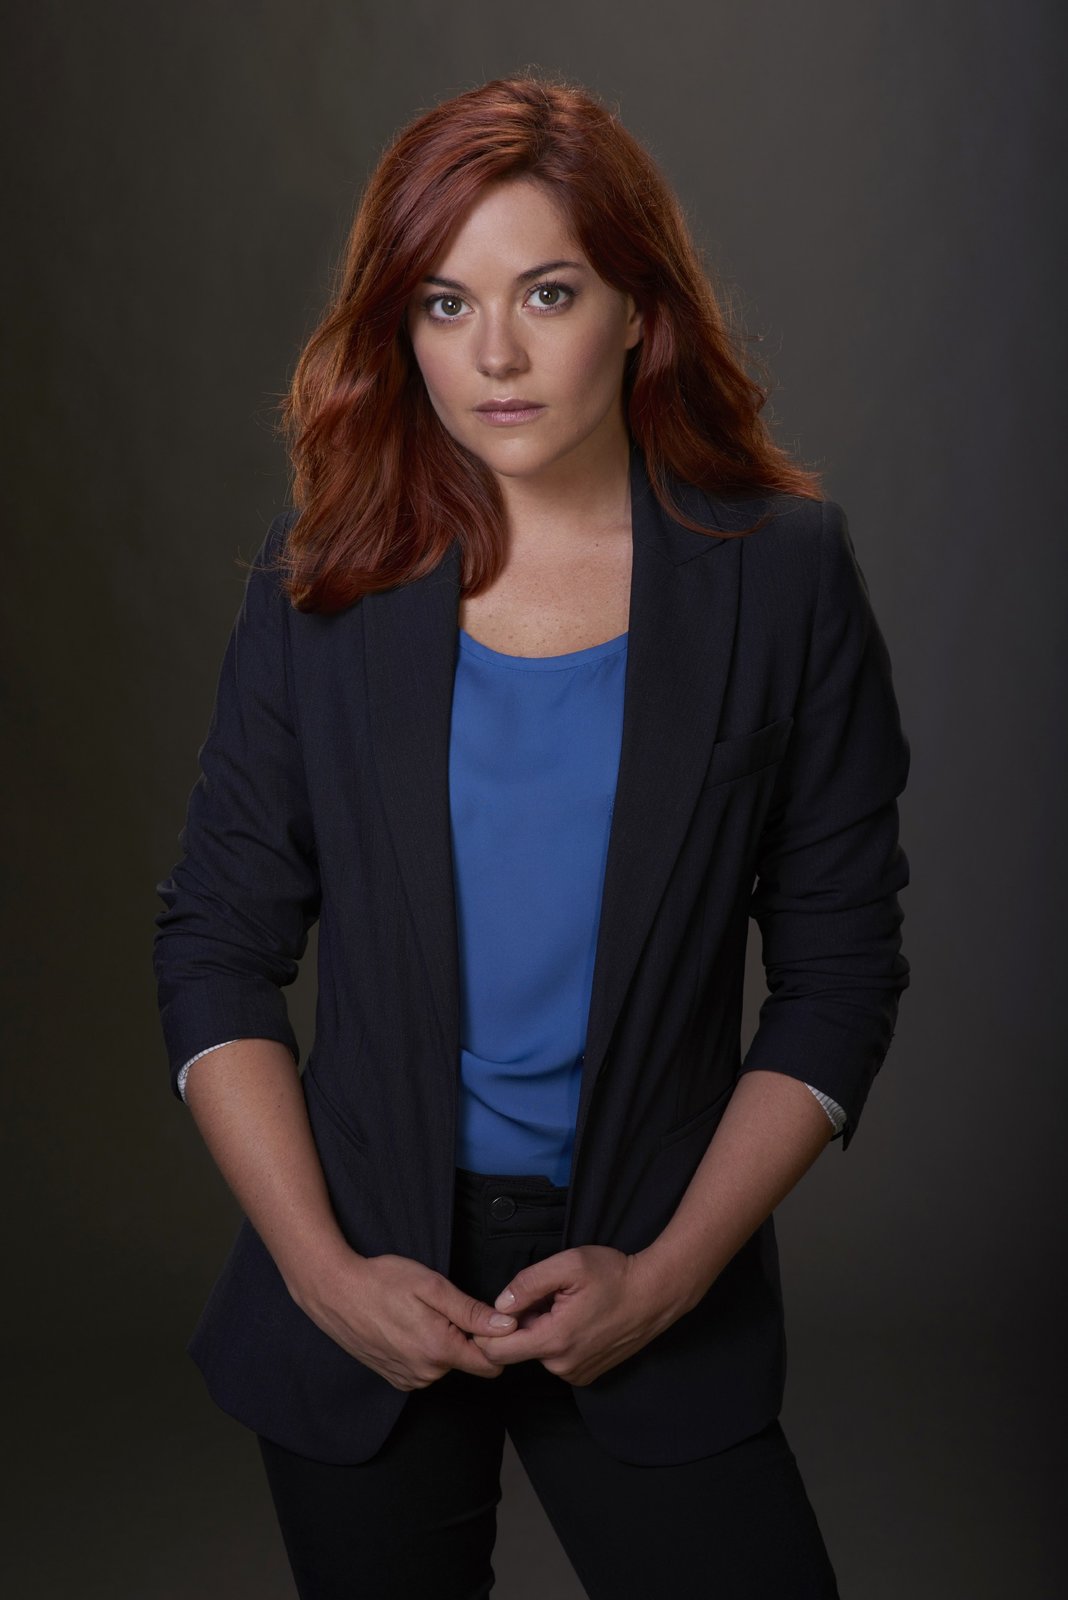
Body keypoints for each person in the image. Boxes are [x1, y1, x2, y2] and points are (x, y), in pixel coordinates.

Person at [153, 73, 910, 1600]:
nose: (493, 354)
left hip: (652, 1265)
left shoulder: (784, 576)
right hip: (366, 1266)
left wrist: (671, 1277)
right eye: (445, 304)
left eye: (546, 293)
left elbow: (838, 976)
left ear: (638, 309)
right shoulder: (323, 585)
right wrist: (321, 1273)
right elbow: (217, 948)